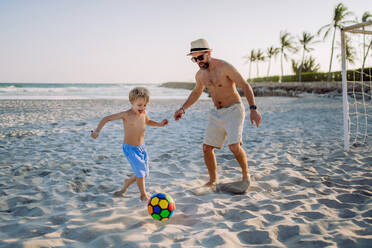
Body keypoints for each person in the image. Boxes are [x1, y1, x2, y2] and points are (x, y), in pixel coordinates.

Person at [174, 38, 262, 188]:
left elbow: (244, 85)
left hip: (234, 110)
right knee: (207, 148)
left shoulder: (224, 67)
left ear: (208, 53)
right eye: (194, 59)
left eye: (200, 57)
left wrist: (253, 109)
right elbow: (196, 93)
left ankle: (246, 175)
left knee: (234, 147)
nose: (198, 61)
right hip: (216, 113)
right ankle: (213, 180)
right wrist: (183, 108)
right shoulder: (200, 75)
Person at [91, 87, 168, 201]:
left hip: (142, 147)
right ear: (132, 102)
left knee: (144, 173)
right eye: (140, 105)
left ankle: (127, 183)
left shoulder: (144, 113)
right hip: (130, 148)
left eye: (145, 105)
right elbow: (106, 118)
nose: (142, 108)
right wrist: (97, 131)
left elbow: (148, 122)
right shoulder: (126, 115)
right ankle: (143, 194)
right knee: (141, 172)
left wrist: (160, 124)